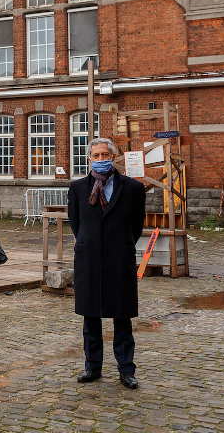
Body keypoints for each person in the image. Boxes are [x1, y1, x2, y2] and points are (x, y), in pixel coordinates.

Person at [68, 137, 146, 390]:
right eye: (96, 156)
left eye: (105, 155)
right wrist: (90, 242)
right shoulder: (78, 188)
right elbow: (76, 223)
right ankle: (92, 366)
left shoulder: (133, 188)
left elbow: (136, 226)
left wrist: (119, 244)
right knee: (91, 316)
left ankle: (126, 369)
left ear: (113, 157)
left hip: (119, 259)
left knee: (122, 316)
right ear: (89, 159)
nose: (100, 159)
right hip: (89, 259)